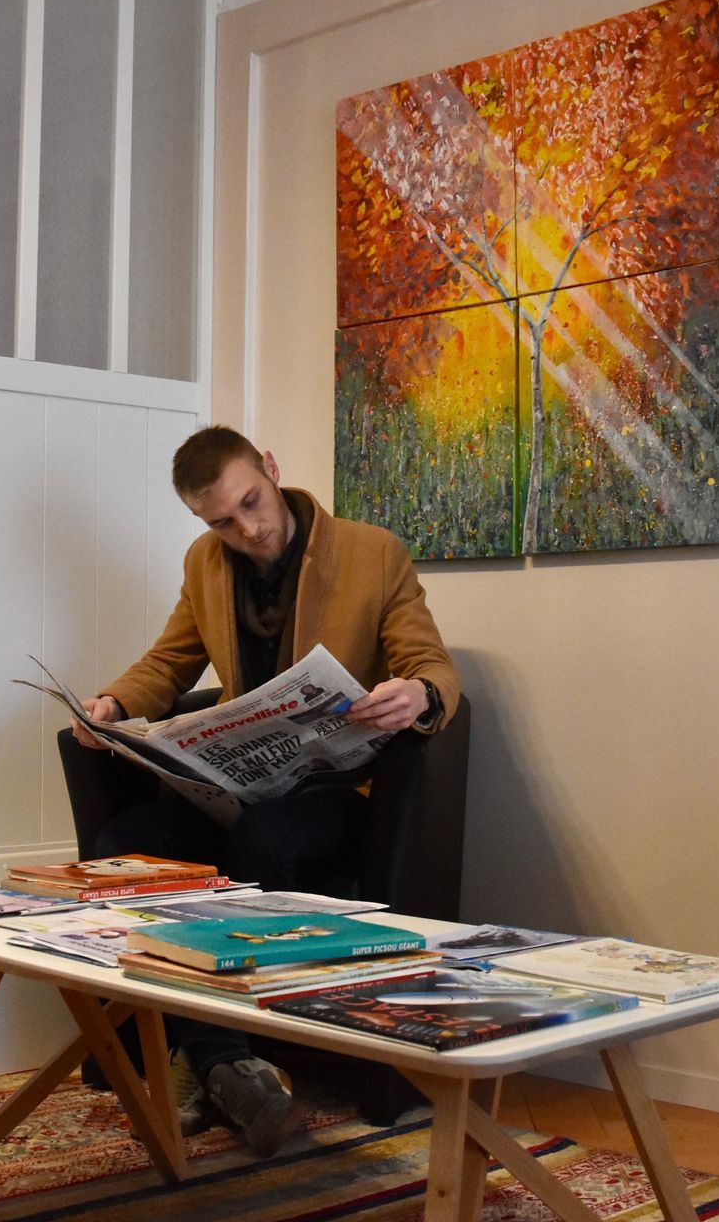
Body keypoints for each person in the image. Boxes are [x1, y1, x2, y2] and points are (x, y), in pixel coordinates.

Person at [67, 424, 460, 1155]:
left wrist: (416, 695)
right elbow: (171, 660)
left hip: (339, 796)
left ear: (273, 469)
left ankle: (206, 1062)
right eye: (222, 520)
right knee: (127, 844)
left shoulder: (374, 553)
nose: (247, 529)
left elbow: (429, 662)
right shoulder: (206, 565)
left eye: (252, 501)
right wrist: (114, 706)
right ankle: (230, 1066)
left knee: (267, 836)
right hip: (248, 789)